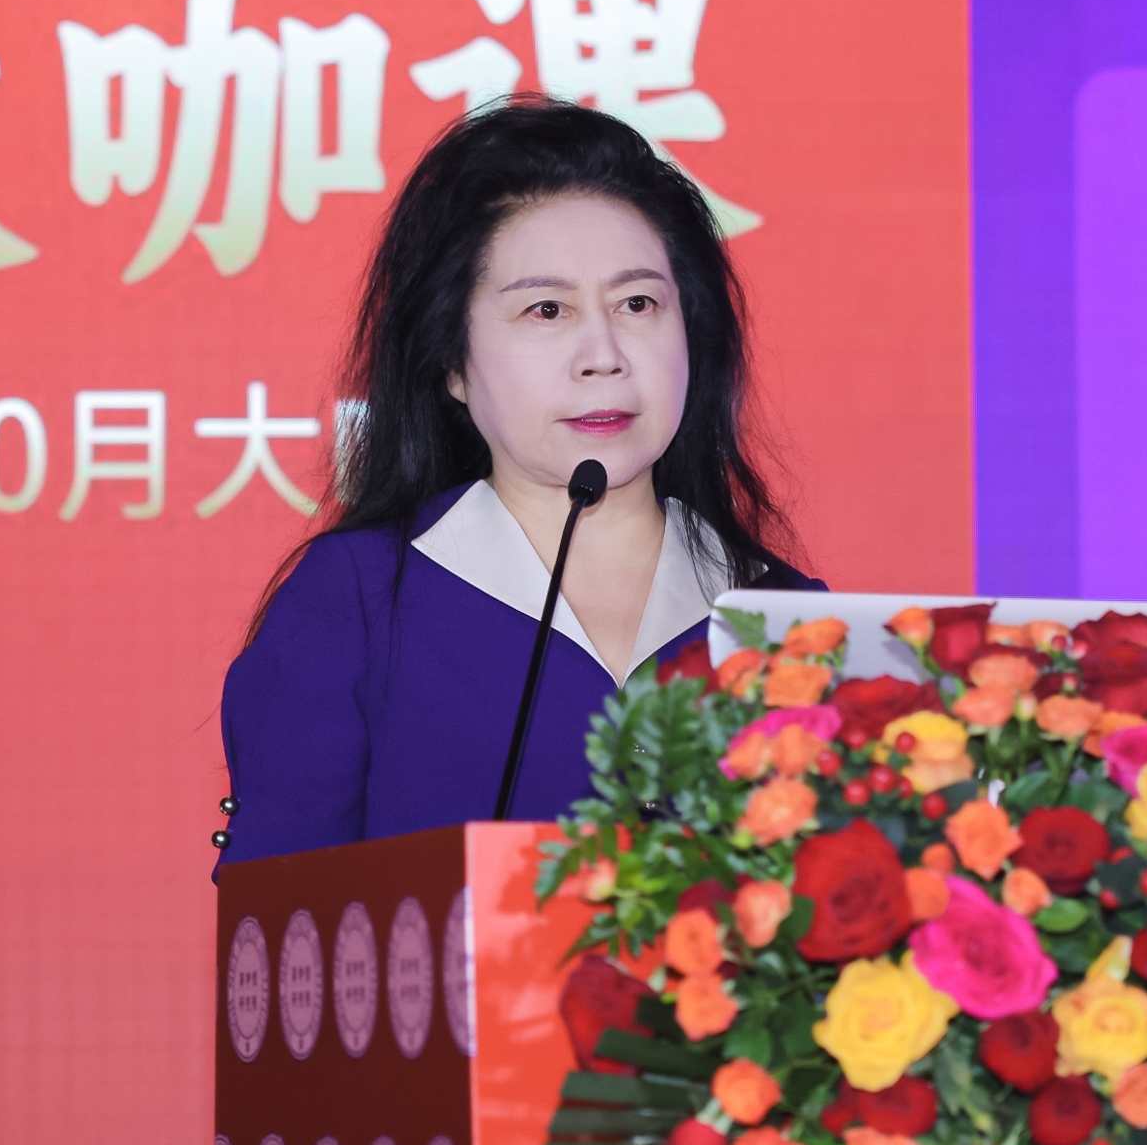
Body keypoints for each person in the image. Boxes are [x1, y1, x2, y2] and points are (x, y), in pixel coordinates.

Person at [214, 99, 815, 868]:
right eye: (546, 309)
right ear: (453, 364)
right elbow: (280, 926)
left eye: (638, 303)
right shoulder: (357, 605)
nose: (603, 354)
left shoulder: (786, 618)